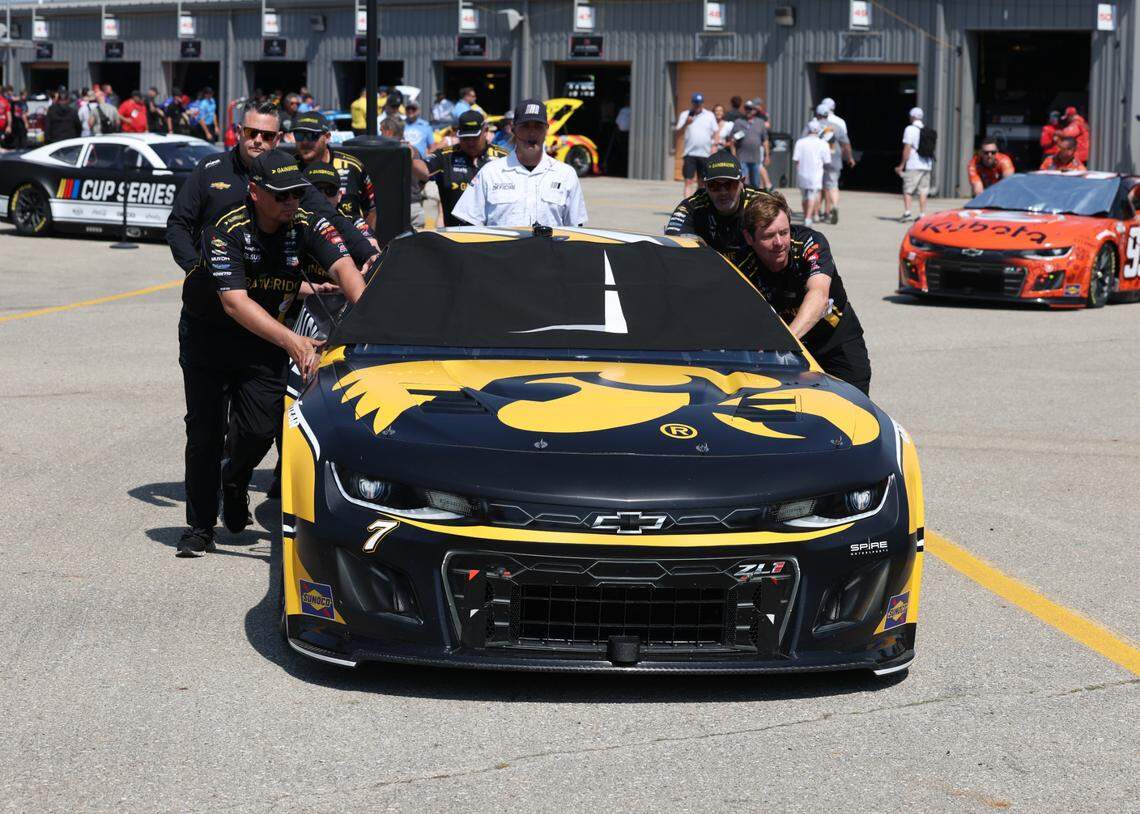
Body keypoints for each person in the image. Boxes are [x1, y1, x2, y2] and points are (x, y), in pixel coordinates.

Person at [175, 150, 365, 557]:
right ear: (255, 192)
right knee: (205, 432)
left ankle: (235, 479)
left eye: (296, 194)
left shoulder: (306, 221)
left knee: (261, 429)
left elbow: (345, 268)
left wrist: (369, 323)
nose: (291, 203)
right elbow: (235, 303)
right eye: (281, 196)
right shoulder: (224, 229)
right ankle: (200, 527)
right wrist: (294, 342)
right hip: (210, 334)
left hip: (264, 338)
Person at [167, 101, 377, 279]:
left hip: (266, 288)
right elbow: (178, 224)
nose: (258, 140)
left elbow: (330, 217)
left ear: (277, 139)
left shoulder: (289, 175)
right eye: (252, 132)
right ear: (239, 132)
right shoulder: (209, 168)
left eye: (267, 136)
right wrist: (195, 268)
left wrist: (368, 252)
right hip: (214, 283)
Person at [740, 191, 871, 395]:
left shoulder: (810, 242)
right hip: (783, 353)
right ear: (749, 238)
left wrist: (786, 341)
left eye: (784, 232)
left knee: (855, 413)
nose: (779, 243)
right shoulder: (743, 266)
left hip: (836, 341)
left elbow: (818, 295)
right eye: (768, 236)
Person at [452, 98, 587, 228]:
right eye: (525, 126)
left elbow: (576, 229)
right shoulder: (490, 173)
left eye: (538, 127)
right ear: (513, 129)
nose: (532, 133)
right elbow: (469, 224)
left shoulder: (566, 175)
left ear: (547, 129)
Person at [664, 151, 765, 277]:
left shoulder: (761, 202)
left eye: (730, 184)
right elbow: (672, 244)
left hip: (754, 277)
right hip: (707, 274)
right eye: (714, 185)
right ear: (705, 186)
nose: (723, 192)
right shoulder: (692, 206)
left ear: (741, 183)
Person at [413, 110, 507, 227]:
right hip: (456, 235)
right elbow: (424, 170)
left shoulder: (503, 157)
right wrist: (410, 154)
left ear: (485, 131)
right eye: (465, 138)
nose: (470, 142)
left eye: (474, 137)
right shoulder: (446, 156)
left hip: (493, 235)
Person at [290, 111, 377, 234]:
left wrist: (368, 241)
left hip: (350, 244)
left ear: (327, 137)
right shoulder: (289, 168)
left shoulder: (352, 167)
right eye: (299, 135)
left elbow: (371, 209)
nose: (304, 142)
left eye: (312, 136)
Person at [815, 102, 854, 224]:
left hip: (817, 161)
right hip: (834, 160)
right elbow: (846, 145)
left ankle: (815, 214)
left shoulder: (813, 126)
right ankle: (835, 206)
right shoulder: (837, 126)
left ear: (817, 114)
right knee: (833, 186)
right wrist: (850, 158)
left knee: (817, 188)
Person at [675, 92, 718, 198]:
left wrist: (714, 145)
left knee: (702, 183)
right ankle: (687, 207)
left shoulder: (709, 115)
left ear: (702, 103)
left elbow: (716, 132)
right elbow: (678, 132)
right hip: (690, 153)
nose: (697, 105)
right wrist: (686, 123)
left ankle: (699, 205)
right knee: (688, 181)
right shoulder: (685, 115)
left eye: (699, 103)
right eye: (695, 103)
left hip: (705, 154)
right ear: (692, 103)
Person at [896, 107, 932, 222]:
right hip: (927, 164)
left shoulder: (909, 129)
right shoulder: (927, 129)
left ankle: (907, 213)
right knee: (923, 190)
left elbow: (907, 148)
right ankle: (922, 214)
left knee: (908, 189)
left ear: (912, 116)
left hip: (914, 164)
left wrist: (901, 165)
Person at [792, 120, 830, 227]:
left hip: (802, 173)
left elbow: (796, 159)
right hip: (816, 174)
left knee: (805, 196)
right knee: (812, 195)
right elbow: (827, 161)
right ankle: (808, 217)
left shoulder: (800, 142)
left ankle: (807, 216)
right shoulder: (823, 143)